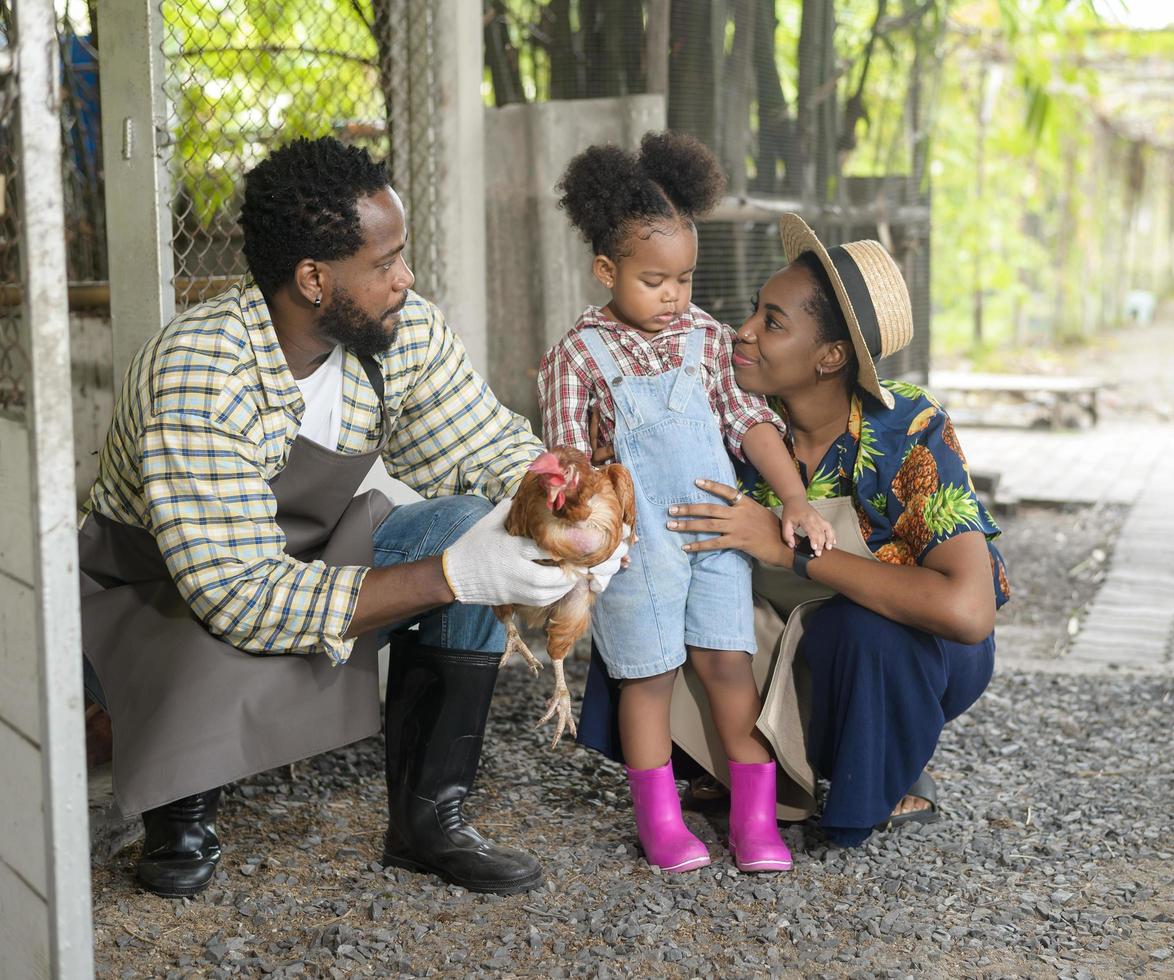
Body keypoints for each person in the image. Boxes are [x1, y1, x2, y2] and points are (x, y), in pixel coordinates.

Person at [78, 136, 624, 898]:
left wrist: (568, 510)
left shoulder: (400, 331)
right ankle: (180, 799)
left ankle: (430, 821)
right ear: (312, 278)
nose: (405, 278)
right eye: (384, 262)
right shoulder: (204, 372)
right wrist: (449, 576)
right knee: (204, 619)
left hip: (301, 553)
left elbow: (485, 445)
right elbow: (235, 594)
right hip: (163, 587)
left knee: (475, 519)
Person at [660, 213, 1010, 846]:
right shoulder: (735, 421)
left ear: (830, 357)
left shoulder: (907, 429)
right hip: (790, 645)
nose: (742, 333)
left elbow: (967, 611)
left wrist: (788, 551)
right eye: (753, 311)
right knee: (665, 577)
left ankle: (870, 783)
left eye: (773, 322)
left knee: (860, 628)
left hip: (909, 653)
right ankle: (729, 763)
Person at [537, 133, 829, 874]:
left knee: (728, 666)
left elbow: (749, 425)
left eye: (686, 278)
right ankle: (660, 819)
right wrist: (571, 497)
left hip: (714, 536)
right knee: (649, 678)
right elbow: (569, 454)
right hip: (638, 550)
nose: (674, 295)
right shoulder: (577, 354)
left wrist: (791, 497)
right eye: (654, 279)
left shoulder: (704, 339)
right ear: (607, 271)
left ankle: (754, 817)